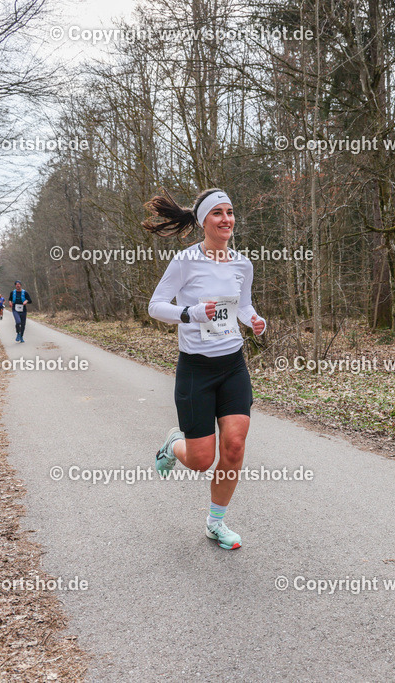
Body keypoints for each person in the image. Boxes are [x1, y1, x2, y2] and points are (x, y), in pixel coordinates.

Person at [145, 189, 266, 551]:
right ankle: (173, 444)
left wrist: (255, 320)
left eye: (230, 212)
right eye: (217, 213)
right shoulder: (184, 261)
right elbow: (155, 306)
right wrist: (191, 313)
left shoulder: (242, 264)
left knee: (234, 445)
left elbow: (242, 305)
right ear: (203, 221)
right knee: (201, 461)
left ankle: (216, 523)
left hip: (232, 365)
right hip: (196, 368)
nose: (226, 219)